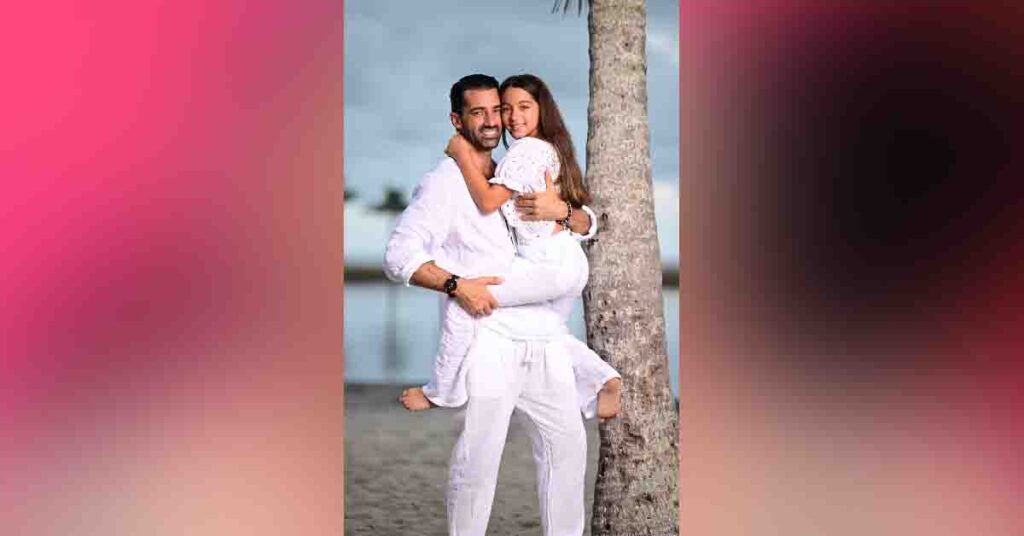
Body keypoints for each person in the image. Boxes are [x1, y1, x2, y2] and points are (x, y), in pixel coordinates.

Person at [383, 74, 604, 536]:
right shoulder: (444, 184)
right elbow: (399, 256)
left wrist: (565, 213)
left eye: (496, 110)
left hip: (543, 339)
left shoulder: (513, 168)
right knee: (478, 459)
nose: (492, 120)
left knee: (567, 452)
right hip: (490, 338)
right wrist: (457, 285)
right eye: (478, 112)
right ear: (456, 120)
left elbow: (581, 222)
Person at [398, 73, 622, 421]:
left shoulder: (526, 151)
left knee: (463, 304)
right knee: (544, 329)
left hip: (547, 263)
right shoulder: (539, 151)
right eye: (506, 109)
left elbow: (489, 201)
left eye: (524, 107)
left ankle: (441, 392)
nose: (511, 117)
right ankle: (602, 380)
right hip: (564, 261)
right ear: (458, 120)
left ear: (542, 109)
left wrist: (461, 155)